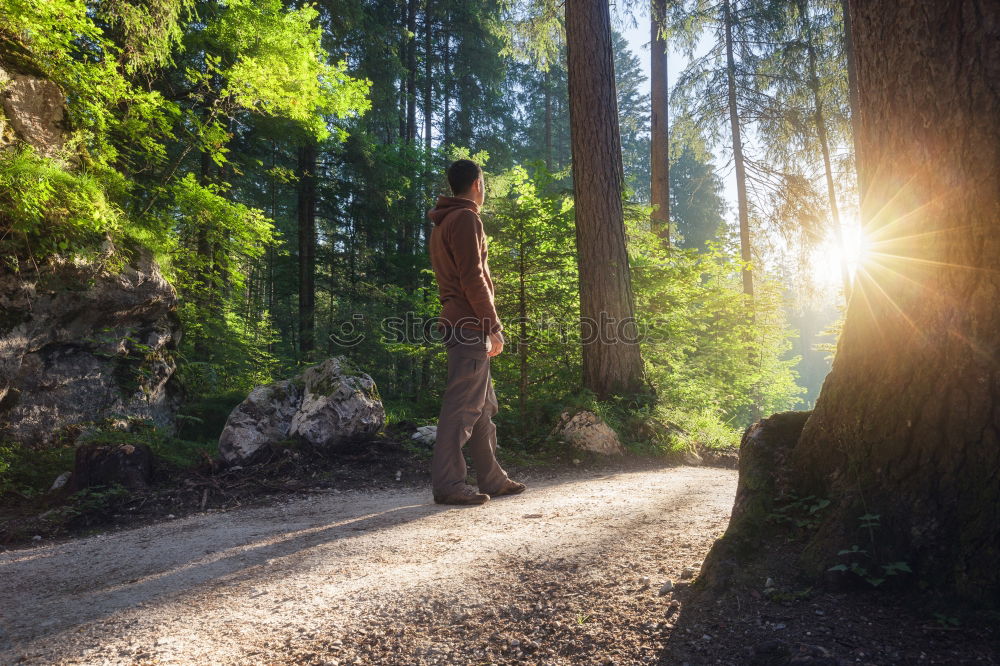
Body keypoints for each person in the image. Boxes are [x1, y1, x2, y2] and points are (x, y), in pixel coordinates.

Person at [426, 159, 526, 505]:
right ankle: (449, 484)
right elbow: (473, 277)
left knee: (482, 406)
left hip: (462, 324)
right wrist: (493, 327)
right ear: (477, 184)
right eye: (484, 183)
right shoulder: (466, 218)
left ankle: (493, 479)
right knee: (462, 407)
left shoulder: (443, 223)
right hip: (468, 325)